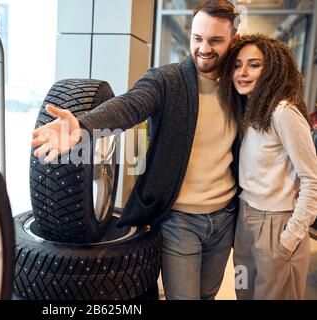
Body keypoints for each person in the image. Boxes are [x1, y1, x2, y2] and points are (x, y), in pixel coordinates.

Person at [32, 0, 240, 300]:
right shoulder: (167, 81)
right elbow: (128, 106)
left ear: (233, 39)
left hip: (224, 217)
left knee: (208, 295)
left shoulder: (238, 86)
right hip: (180, 221)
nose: (204, 48)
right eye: (197, 38)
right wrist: (82, 125)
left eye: (215, 40)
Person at [218, 34, 317, 300]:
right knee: (243, 291)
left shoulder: (283, 111)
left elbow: (312, 180)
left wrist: (291, 237)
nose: (242, 72)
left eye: (254, 64)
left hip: (278, 223)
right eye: (237, 65)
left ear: (272, 69)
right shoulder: (250, 109)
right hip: (246, 220)